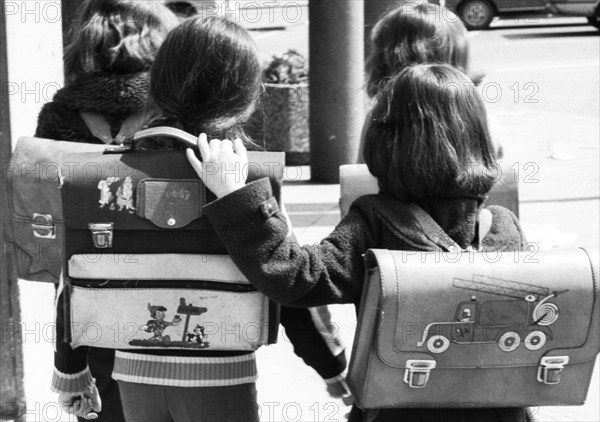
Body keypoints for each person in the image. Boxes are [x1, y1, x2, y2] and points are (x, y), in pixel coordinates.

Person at [187, 64, 533, 422]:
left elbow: (296, 277)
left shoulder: (376, 220)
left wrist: (235, 194)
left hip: (397, 412)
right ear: (479, 140)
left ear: (386, 140)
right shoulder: (504, 228)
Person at [52, 16, 347, 422]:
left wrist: (69, 368)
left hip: (132, 370)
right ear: (244, 93)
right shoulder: (247, 178)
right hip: (222, 377)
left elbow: (76, 275)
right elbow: (285, 278)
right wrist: (332, 367)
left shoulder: (113, 173)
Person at [38, 2, 178, 421]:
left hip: (93, 311)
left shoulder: (59, 115)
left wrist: (69, 363)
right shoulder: (179, 112)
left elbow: (52, 231)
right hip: (176, 302)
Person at [358, 2, 503, 162]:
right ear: (458, 58)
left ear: (384, 62)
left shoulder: (376, 124)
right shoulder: (484, 124)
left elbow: (359, 179)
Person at [35, 0, 178, 145]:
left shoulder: (57, 116)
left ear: (86, 39)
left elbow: (35, 166)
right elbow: (199, 166)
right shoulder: (178, 115)